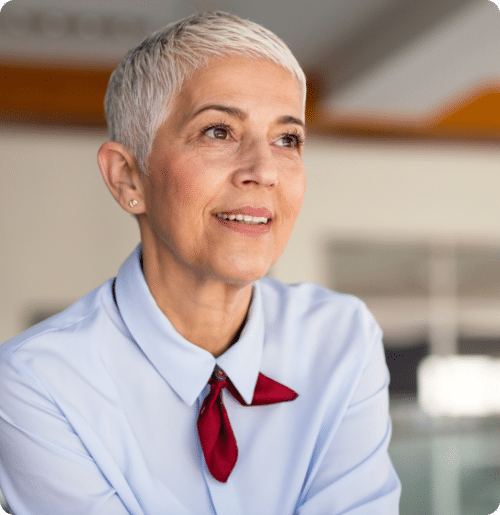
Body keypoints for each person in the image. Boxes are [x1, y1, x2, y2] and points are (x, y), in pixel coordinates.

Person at [0, 11, 401, 515]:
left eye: (287, 139)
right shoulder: (36, 382)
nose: (264, 171)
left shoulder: (343, 337)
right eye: (218, 131)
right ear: (128, 178)